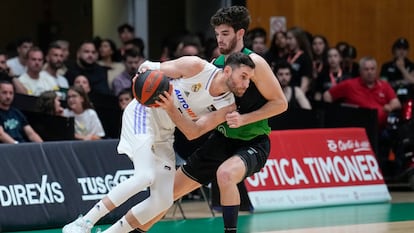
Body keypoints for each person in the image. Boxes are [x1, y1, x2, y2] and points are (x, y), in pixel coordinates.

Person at [116, 5, 288, 233]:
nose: (220, 39)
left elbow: (280, 104)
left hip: (253, 141)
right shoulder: (216, 67)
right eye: (217, 34)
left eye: (225, 34)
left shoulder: (255, 63)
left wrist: (244, 119)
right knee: (165, 196)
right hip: (222, 139)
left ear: (240, 33)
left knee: (225, 175)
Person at [62, 52, 256, 233]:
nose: (246, 84)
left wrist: (171, 107)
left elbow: (192, 132)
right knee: (144, 176)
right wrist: (141, 78)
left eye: (249, 79)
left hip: (164, 132)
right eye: (244, 76)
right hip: (144, 113)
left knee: (163, 201)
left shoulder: (228, 106)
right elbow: (149, 66)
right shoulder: (196, 67)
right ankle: (83, 222)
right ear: (228, 70)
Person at [323, 56, 401, 172]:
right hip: (357, 130)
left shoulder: (384, 85)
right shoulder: (349, 85)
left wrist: (389, 107)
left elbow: (397, 103)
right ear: (360, 71)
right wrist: (337, 112)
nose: (370, 72)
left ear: (376, 71)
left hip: (380, 128)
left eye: (372, 69)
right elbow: (327, 96)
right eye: (366, 69)